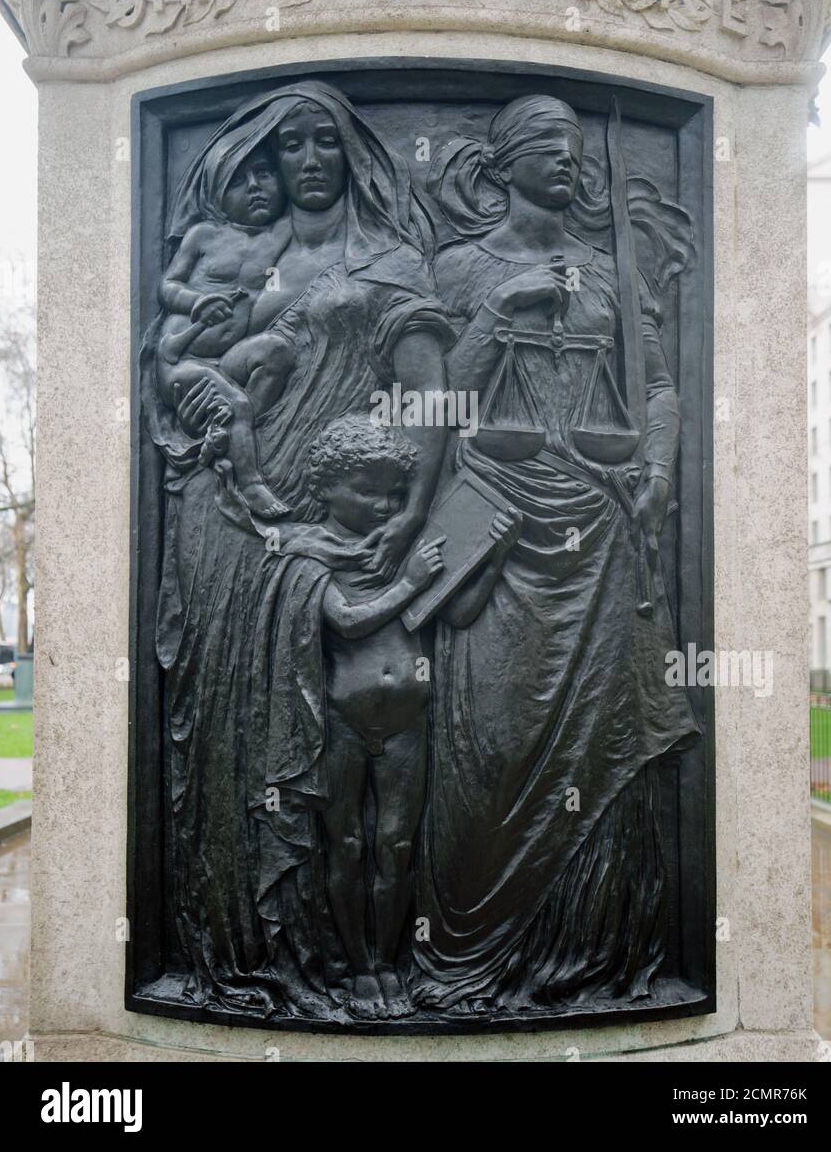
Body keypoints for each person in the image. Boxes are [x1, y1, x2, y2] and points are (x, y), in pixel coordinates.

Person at [147, 81, 455, 1015]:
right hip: (230, 519)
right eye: (292, 148)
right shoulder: (242, 258)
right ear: (268, 164)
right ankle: (244, 944)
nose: (310, 160)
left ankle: (349, 957)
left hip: (346, 525)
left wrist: (405, 520)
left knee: (335, 747)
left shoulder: (393, 263)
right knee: (234, 722)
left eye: (327, 142)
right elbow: (179, 368)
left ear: (351, 155)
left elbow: (430, 402)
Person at [413, 93, 699, 1012]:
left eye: (575, 149)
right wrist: (498, 314)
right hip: (496, 529)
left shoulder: (610, 273)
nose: (567, 161)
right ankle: (462, 954)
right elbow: (427, 409)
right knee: (486, 744)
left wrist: (656, 469)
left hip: (604, 530)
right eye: (545, 146)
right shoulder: (459, 270)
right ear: (502, 164)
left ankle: (587, 955)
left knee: (600, 748)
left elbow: (656, 386)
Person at [292, 415, 521, 1018]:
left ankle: (391, 963)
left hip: (405, 724)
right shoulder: (307, 550)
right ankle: (358, 969)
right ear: (327, 488)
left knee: (394, 846)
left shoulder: (407, 549)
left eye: (393, 492)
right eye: (367, 490)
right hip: (340, 721)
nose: (384, 504)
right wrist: (411, 580)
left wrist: (490, 553)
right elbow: (342, 619)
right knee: (345, 845)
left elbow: (460, 612)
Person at [155, 140, 294, 521]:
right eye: (238, 181)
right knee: (236, 402)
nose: (254, 186)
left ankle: (227, 438)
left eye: (264, 173)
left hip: (227, 361)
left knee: (275, 352)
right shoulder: (204, 235)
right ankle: (250, 484)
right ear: (217, 193)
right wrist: (195, 302)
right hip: (181, 360)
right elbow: (167, 286)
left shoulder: (283, 233)